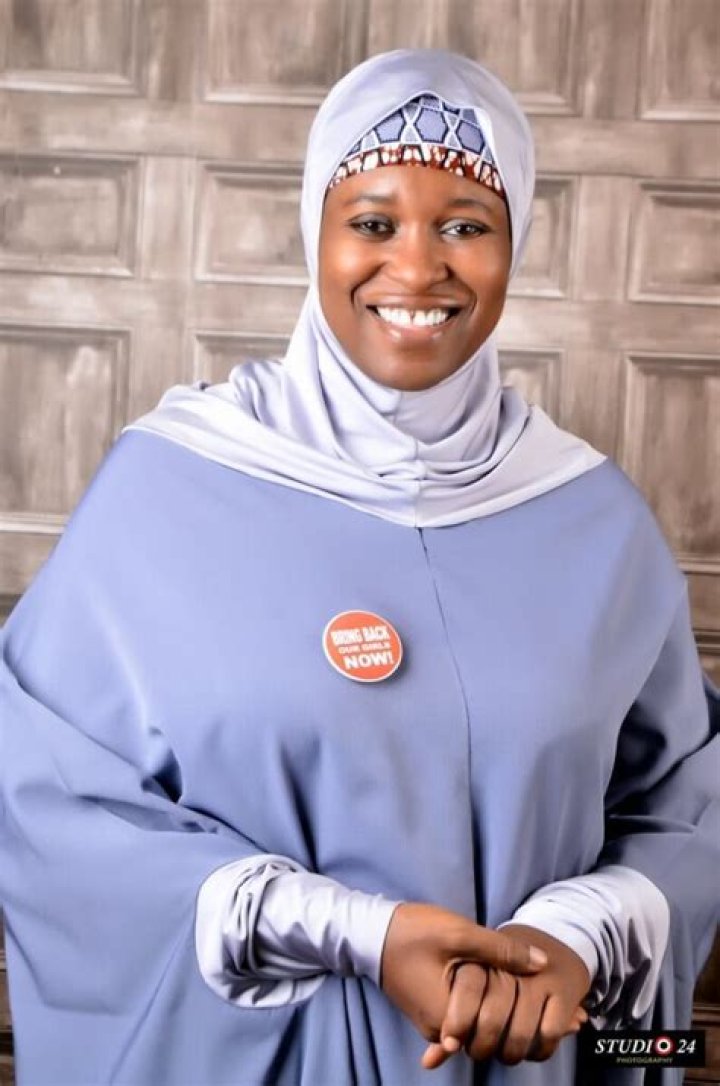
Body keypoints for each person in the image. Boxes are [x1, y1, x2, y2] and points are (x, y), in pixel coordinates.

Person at [0, 48, 717, 1086]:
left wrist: (580, 933)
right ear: (316, 231)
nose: (418, 270)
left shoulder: (595, 522)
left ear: (516, 241)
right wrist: (357, 934)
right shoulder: (165, 493)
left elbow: (689, 797)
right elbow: (48, 795)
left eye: (465, 225)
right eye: (374, 223)